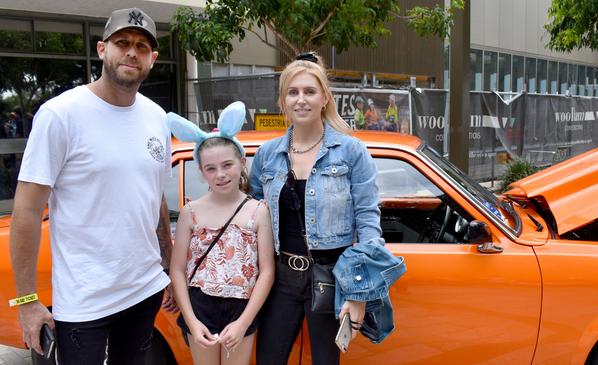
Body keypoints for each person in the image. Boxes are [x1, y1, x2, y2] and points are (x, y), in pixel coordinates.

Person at [9, 8, 176, 365]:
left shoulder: (156, 117)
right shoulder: (60, 115)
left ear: (153, 59)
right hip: (85, 301)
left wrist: (168, 265)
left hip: (144, 289)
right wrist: (26, 301)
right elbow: (25, 210)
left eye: (142, 46)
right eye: (122, 43)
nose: (132, 52)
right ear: (102, 49)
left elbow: (154, 194)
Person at [250, 51, 405, 365]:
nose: (301, 100)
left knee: (326, 361)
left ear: (325, 98)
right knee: (268, 358)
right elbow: (252, 215)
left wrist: (358, 293)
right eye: (292, 92)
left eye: (309, 91)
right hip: (279, 278)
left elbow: (368, 221)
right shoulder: (267, 155)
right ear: (282, 101)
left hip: (332, 276)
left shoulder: (350, 151)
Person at [167, 102, 274, 365]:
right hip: (199, 305)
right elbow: (178, 270)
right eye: (211, 168)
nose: (221, 174)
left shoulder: (258, 211)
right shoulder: (190, 212)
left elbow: (267, 271)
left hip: (241, 307)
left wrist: (243, 322)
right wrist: (191, 321)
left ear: (241, 162)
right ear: (201, 172)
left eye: (227, 165)